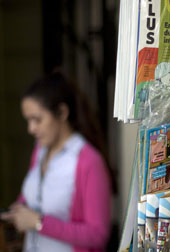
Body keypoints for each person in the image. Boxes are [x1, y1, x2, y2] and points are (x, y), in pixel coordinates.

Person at [1, 72, 111, 252]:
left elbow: (97, 235)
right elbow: (34, 196)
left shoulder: (88, 161)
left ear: (62, 113)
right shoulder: (40, 150)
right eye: (27, 120)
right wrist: (18, 210)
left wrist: (39, 222)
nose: (30, 129)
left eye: (37, 120)